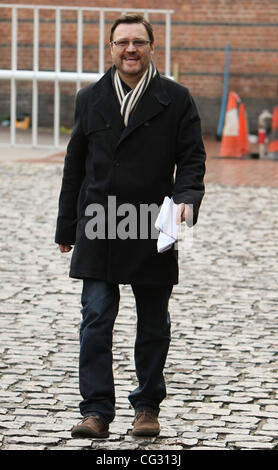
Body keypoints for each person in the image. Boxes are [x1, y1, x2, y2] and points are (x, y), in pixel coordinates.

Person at [55, 14, 206, 439]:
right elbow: (74, 169)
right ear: (111, 48)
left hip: (151, 223)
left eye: (138, 41)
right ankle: (96, 411)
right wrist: (66, 228)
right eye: (122, 42)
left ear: (152, 47)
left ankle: (146, 407)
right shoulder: (90, 98)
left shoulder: (175, 99)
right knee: (96, 318)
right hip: (99, 222)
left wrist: (186, 200)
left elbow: (192, 160)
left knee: (153, 322)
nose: (130, 49)